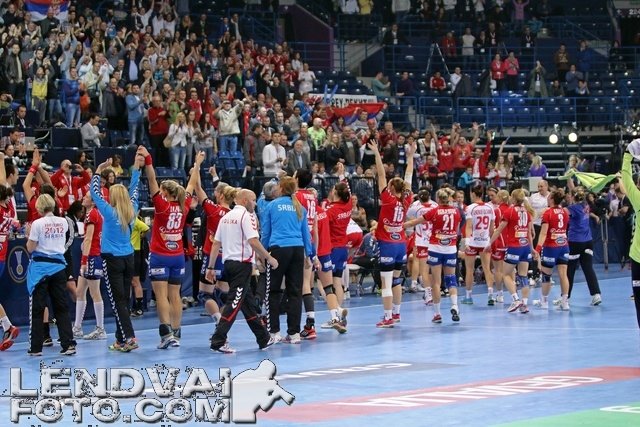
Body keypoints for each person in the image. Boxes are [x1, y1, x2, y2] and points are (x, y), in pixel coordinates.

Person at [140, 146, 200, 348]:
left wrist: (148, 159)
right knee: (176, 296)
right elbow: (191, 183)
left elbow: (151, 179)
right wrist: (197, 164)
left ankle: (166, 335)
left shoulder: (162, 206)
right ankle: (176, 333)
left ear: (164, 192)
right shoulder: (184, 206)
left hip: (160, 255)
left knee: (161, 296)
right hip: (177, 256)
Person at [206, 189, 278, 353]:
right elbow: (253, 241)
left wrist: (210, 267)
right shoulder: (247, 216)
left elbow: (216, 244)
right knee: (234, 303)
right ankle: (218, 341)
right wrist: (269, 258)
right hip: (242, 266)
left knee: (248, 305)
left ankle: (263, 338)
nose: (255, 204)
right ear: (245, 200)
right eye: (253, 200)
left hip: (229, 265)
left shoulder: (225, 217)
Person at [90, 153, 143, 352]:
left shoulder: (109, 213)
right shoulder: (132, 211)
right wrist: (136, 168)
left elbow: (94, 191)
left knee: (117, 301)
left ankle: (129, 337)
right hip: (129, 258)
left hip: (112, 260)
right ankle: (121, 339)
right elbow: (135, 189)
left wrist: (98, 170)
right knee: (124, 299)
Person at [368, 138, 415, 327]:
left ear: (392, 188)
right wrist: (410, 157)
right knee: (396, 280)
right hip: (401, 245)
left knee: (386, 282)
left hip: (387, 244)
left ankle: (387, 317)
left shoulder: (388, 199)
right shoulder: (407, 199)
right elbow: (409, 175)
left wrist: (376, 153)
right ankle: (396, 313)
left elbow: (381, 174)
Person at [262, 177, 315, 343]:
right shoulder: (300, 207)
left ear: (281, 188)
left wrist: (263, 254)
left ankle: (274, 332)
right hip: (297, 249)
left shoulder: (272, 205)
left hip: (278, 249)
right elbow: (306, 234)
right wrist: (309, 255)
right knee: (295, 292)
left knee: (273, 291)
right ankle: (294, 334)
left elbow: (266, 232)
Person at [26, 193, 76, 356]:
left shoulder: (37, 224)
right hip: (59, 268)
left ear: (39, 208)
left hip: (41, 270)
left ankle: (36, 348)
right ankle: (68, 344)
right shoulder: (63, 222)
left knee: (38, 309)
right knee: (61, 307)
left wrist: (28, 234)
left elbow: (30, 248)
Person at [405, 188, 462, 323]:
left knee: (436, 281)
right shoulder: (456, 211)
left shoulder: (434, 211)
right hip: (450, 248)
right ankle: (455, 305)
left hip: (435, 248)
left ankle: (437, 314)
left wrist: (397, 226)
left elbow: (413, 222)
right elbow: (457, 230)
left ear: (438, 199)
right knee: (451, 279)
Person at [486, 189, 538, 314]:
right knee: (523, 275)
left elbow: (498, 230)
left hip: (514, 246)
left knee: (506, 274)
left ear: (513, 198)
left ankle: (515, 299)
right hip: (525, 246)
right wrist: (532, 248)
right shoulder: (527, 212)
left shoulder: (509, 211)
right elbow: (529, 233)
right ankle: (525, 304)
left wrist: (489, 243)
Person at [562, 183, 603, 306]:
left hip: (575, 242)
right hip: (588, 241)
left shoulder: (572, 208)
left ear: (572, 197)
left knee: (570, 269)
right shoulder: (585, 205)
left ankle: (565, 297)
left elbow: (561, 211)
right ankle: (596, 294)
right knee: (588, 268)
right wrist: (569, 179)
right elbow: (575, 192)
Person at [532, 189, 571, 311]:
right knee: (563, 275)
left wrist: (537, 249)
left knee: (546, 276)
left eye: (549, 197)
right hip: (564, 245)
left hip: (551, 247)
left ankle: (544, 302)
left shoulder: (547, 213)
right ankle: (565, 302)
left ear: (552, 200)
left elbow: (543, 233)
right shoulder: (564, 212)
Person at [461, 185, 495, 306]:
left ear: (473, 194)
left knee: (469, 269)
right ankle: (490, 295)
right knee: (487, 268)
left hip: (473, 242)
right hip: (485, 241)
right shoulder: (490, 207)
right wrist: (490, 241)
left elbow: (469, 226)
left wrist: (467, 242)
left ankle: (468, 296)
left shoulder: (470, 208)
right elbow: (492, 228)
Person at [0, 154, 19, 351]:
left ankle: (7, 326)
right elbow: (2, 184)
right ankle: (7, 326)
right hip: (2, 256)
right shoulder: (9, 210)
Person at [620, 143, 640, 328]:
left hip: (637, 258)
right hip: (637, 257)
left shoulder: (638, 198)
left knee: (639, 300)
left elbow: (627, 180)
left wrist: (627, 156)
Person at [130, 216, 150, 317]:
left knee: (135, 281)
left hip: (134, 252)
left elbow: (146, 228)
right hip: (124, 252)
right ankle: (127, 308)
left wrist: (141, 236)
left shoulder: (134, 220)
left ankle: (139, 308)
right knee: (126, 282)